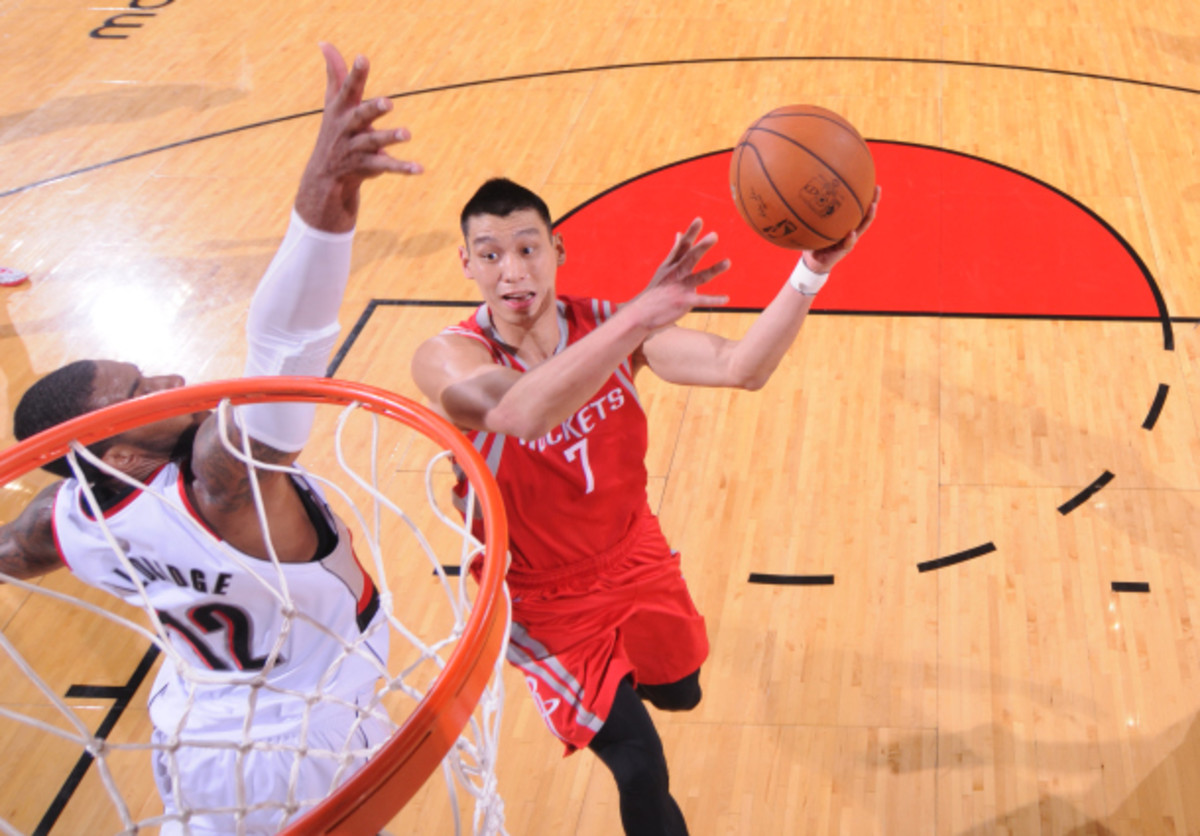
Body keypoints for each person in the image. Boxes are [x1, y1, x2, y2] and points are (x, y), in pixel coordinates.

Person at [0, 43, 421, 835]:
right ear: (117, 453)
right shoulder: (220, 483)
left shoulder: (67, 517)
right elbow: (285, 344)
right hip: (312, 740)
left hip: (194, 735)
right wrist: (326, 195)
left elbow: (10, 553)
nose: (166, 380)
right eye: (136, 395)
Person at [411, 177, 880, 835]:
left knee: (682, 692)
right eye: (489, 254)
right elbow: (516, 412)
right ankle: (603, 697)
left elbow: (742, 366)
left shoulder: (606, 326)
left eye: (527, 248)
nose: (512, 271)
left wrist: (810, 271)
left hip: (635, 555)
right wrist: (636, 316)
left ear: (558, 250)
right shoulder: (447, 355)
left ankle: (631, 680)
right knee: (639, 763)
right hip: (544, 599)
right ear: (466, 264)